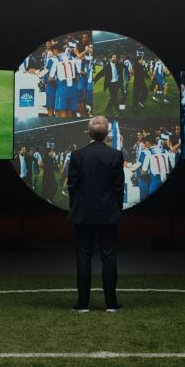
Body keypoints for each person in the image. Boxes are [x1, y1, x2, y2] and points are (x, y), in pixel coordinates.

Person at [67, 116, 124, 313]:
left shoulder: (77, 155)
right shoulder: (115, 155)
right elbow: (118, 189)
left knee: (83, 258)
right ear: (107, 134)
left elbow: (72, 187)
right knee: (109, 257)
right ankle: (111, 303)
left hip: (83, 214)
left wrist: (75, 207)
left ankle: (83, 304)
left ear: (89, 132)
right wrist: (116, 210)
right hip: (108, 213)